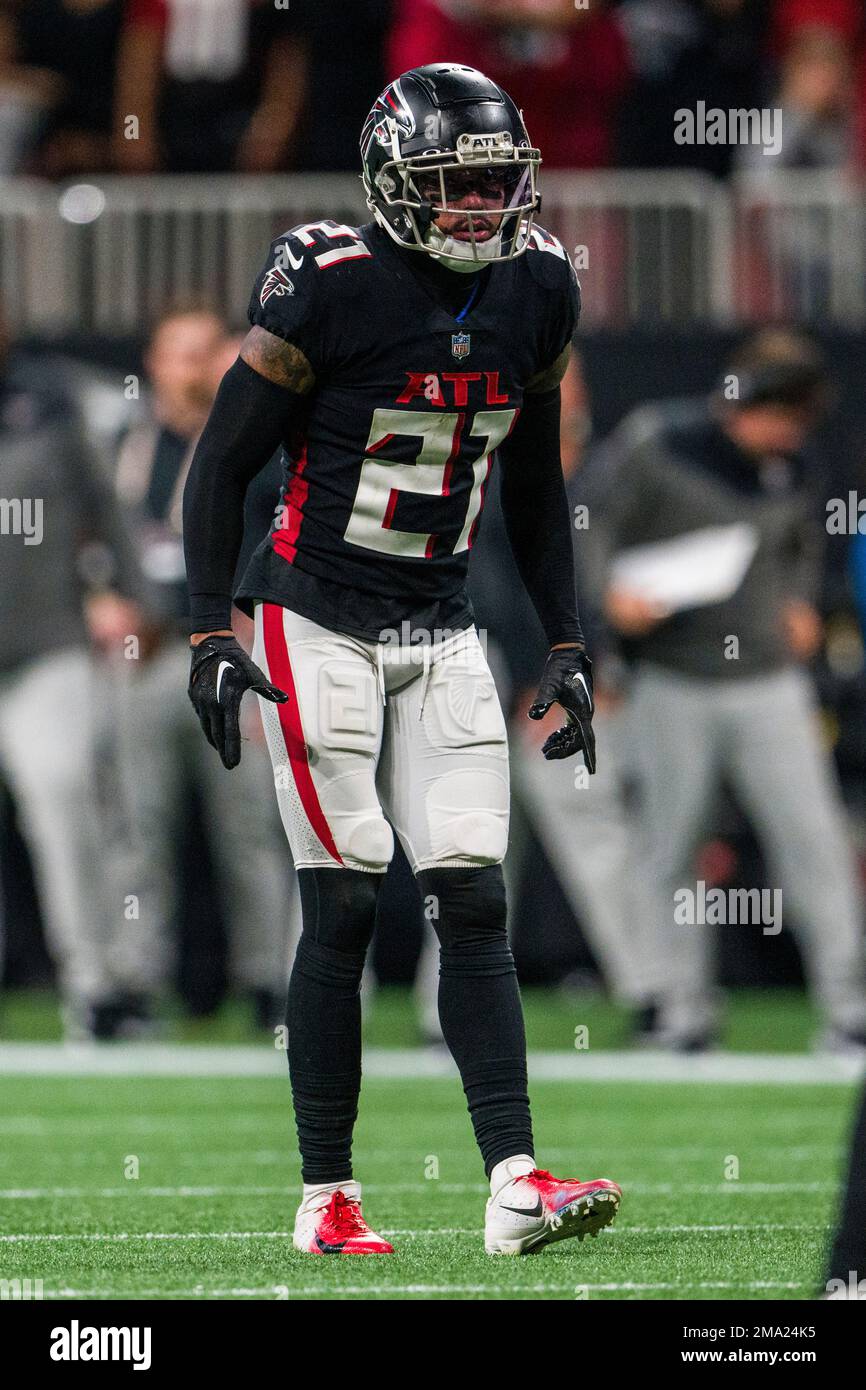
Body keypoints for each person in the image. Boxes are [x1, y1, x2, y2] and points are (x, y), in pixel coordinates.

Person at [182, 63, 621, 1256]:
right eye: (457, 182)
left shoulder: (537, 289)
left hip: (439, 624)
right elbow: (220, 463)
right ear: (392, 179)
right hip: (309, 614)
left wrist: (566, 638)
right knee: (344, 895)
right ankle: (326, 1196)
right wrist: (207, 624)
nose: (482, 204)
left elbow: (532, 481)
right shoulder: (327, 282)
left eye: (495, 180)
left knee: (473, 894)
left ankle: (514, 1182)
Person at [585, 328, 866, 1052]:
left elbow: (802, 548)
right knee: (671, 848)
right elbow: (588, 529)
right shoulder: (657, 444)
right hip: (671, 680)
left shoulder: (792, 462)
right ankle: (678, 1011)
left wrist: (804, 605)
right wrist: (607, 605)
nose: (789, 436)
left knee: (816, 842)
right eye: (784, 418)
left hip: (770, 684)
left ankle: (850, 1010)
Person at [108, 308, 293, 1032]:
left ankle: (271, 982)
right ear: (153, 362)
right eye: (178, 353)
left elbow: (283, 538)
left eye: (202, 353)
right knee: (135, 826)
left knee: (250, 828)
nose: (191, 369)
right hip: (141, 657)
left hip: (231, 653)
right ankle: (133, 981)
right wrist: (99, 601)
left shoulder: (256, 443)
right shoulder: (123, 444)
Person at [0, 309, 146, 1035]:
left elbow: (108, 511)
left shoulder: (49, 402)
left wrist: (131, 597)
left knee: (64, 800)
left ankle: (96, 983)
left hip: (42, 645)